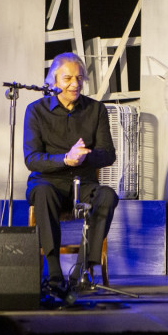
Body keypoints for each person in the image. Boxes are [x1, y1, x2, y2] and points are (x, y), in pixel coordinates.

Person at [23, 52, 119, 292]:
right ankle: (54, 273)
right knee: (43, 193)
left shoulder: (95, 110)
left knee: (107, 195)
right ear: (54, 81)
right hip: (48, 181)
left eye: (79, 78)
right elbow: (32, 159)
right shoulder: (35, 110)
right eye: (67, 78)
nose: (74, 84)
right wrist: (65, 159)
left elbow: (108, 153)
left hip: (83, 183)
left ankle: (83, 269)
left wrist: (84, 156)